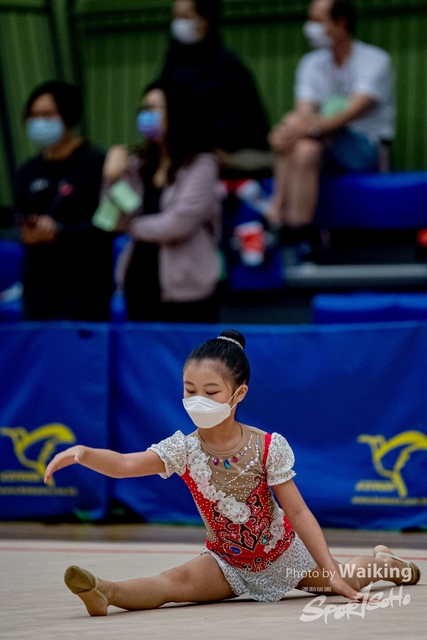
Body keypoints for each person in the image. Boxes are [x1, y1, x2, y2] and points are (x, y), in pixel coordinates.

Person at [44, 328, 420, 616]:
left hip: (286, 558)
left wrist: (330, 573)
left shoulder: (267, 446)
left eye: (211, 392)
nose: (198, 400)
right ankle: (105, 591)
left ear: (238, 394)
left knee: (346, 576)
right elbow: (126, 464)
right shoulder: (182, 448)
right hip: (226, 564)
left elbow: (298, 511)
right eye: (189, 390)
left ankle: (386, 564)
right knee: (173, 582)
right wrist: (84, 454)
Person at [269, 0, 395, 262]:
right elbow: (304, 112)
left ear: (341, 24)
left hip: (364, 148)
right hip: (320, 143)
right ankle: (298, 235)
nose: (310, 27)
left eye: (318, 20)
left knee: (297, 132)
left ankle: (277, 210)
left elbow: (349, 114)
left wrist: (299, 128)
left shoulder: (376, 60)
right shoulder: (311, 63)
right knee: (304, 148)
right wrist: (294, 128)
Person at [103, 82, 222, 323]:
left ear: (177, 112)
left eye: (153, 109)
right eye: (143, 109)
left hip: (186, 291)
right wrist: (113, 179)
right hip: (138, 283)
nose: (146, 116)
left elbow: (178, 224)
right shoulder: (138, 163)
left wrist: (133, 227)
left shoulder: (201, 165)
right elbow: (113, 220)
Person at [15, 81, 113, 321]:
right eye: (33, 115)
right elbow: (19, 219)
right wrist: (26, 233)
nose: (39, 122)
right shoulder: (28, 171)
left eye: (47, 115)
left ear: (68, 117)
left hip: (85, 288)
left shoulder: (99, 164)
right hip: (39, 291)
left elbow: (110, 223)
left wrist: (59, 231)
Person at [160, 0, 271, 174]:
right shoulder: (172, 64)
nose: (177, 24)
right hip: (181, 155)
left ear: (204, 22)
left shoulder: (229, 67)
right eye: (175, 17)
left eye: (184, 17)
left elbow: (246, 122)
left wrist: (211, 148)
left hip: (228, 154)